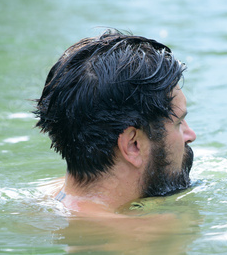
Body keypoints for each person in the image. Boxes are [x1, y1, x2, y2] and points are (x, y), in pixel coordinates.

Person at [34, 29, 197, 216]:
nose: (191, 135)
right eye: (179, 123)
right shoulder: (146, 235)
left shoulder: (45, 200)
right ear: (133, 145)